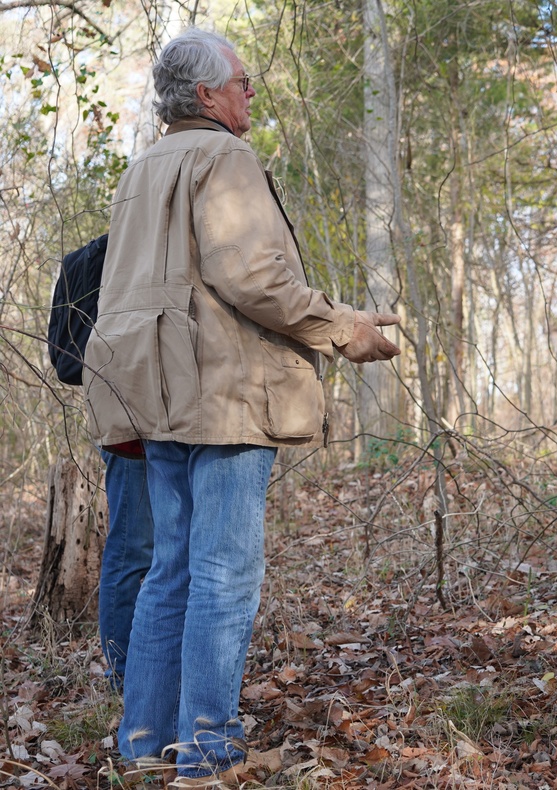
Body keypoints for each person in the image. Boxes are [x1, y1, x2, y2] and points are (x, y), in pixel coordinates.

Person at [83, 28, 401, 785]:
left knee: (171, 569)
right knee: (224, 572)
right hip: (222, 399)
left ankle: (144, 745)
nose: (251, 92)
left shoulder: (142, 168)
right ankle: (208, 748)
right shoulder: (223, 156)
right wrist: (344, 328)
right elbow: (254, 278)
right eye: (242, 82)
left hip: (155, 398)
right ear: (206, 95)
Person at [98, 447, 154, 691]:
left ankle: (145, 671)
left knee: (162, 554)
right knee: (128, 551)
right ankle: (120, 675)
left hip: (160, 430)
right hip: (130, 434)